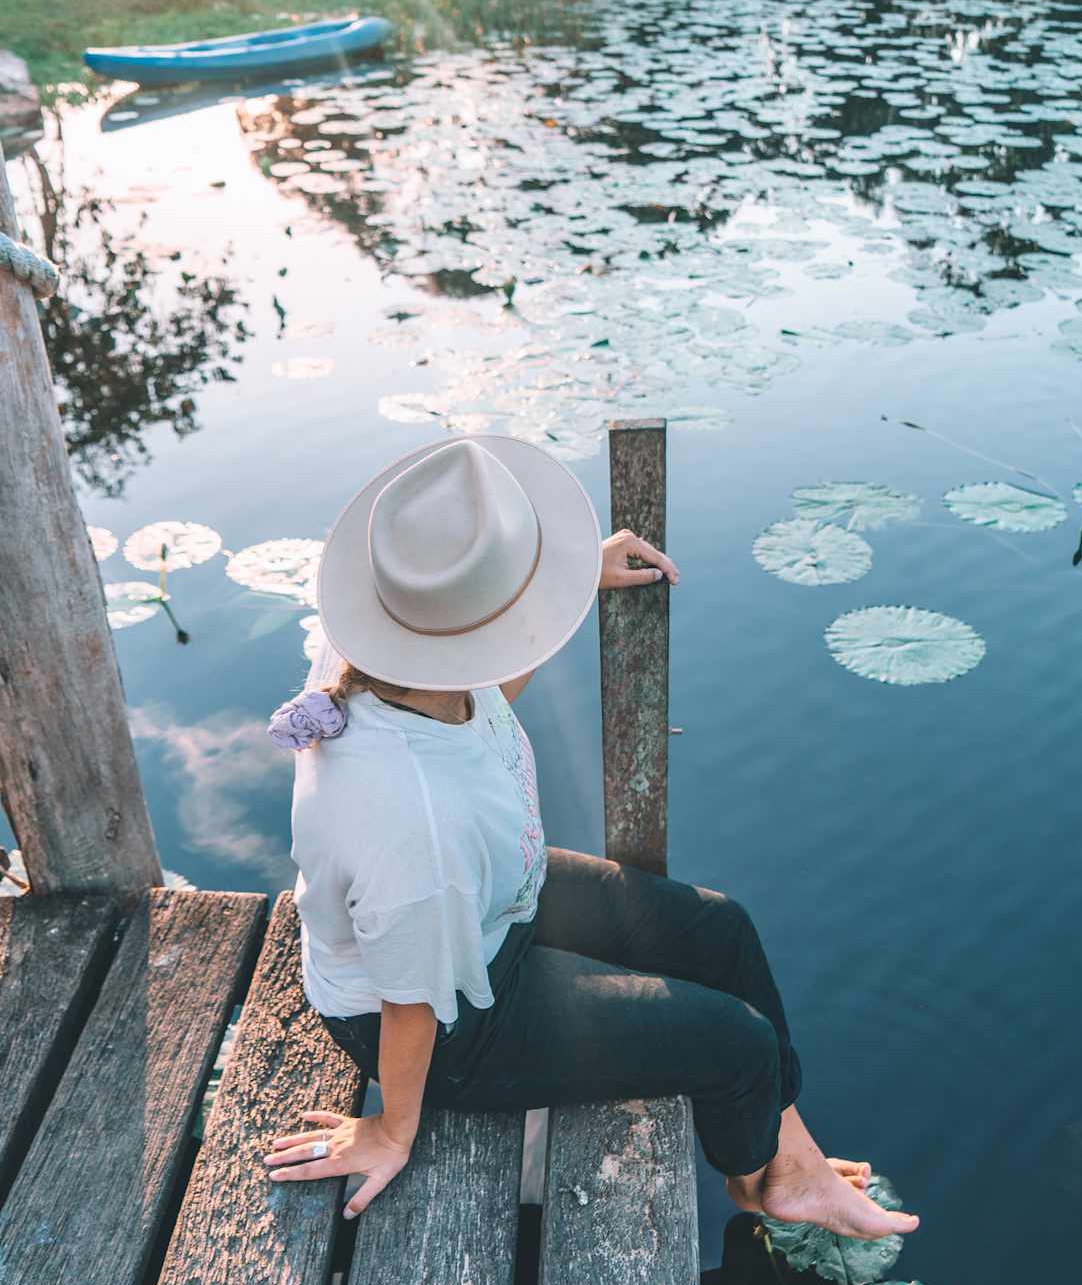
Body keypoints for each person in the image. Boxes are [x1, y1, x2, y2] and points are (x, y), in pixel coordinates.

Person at [264, 434, 919, 1242]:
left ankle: (793, 1154)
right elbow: (410, 1002)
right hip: (458, 1023)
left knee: (722, 929)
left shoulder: (383, 648)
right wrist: (391, 1129)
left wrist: (574, 579)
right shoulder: (416, 828)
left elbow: (489, 691)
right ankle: (767, 1184)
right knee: (736, 1045)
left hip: (492, 913)